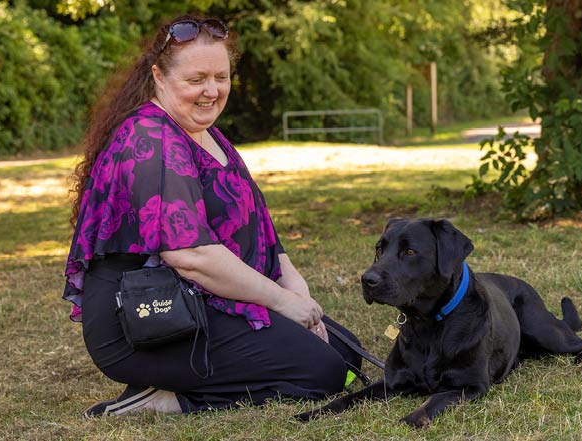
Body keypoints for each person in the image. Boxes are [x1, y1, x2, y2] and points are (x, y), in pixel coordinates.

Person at [63, 14, 364, 417]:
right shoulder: (151, 139)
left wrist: (296, 291)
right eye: (196, 79)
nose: (212, 91)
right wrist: (281, 303)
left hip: (199, 299)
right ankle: (165, 399)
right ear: (159, 76)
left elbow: (261, 228)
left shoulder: (204, 131)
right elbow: (191, 254)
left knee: (346, 355)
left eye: (221, 77)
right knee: (324, 372)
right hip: (144, 319)